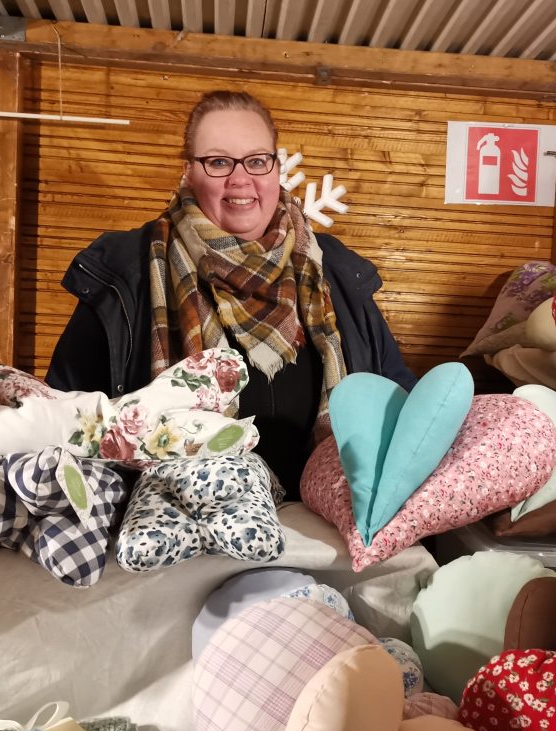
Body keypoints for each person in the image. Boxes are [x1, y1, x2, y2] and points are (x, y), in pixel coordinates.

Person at [46, 90, 415, 498]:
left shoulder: (336, 271)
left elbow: (399, 402)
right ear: (189, 172)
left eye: (257, 161)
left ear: (276, 169)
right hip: (177, 520)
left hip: (325, 520)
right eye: (219, 162)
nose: (241, 179)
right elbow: (68, 417)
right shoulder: (127, 272)